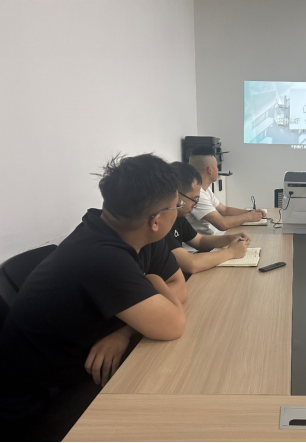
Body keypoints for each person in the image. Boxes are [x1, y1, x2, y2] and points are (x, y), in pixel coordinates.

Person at [0, 154, 187, 439]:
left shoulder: (112, 228)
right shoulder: (102, 256)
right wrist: (153, 279)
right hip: (40, 401)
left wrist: (123, 332)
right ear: (156, 220)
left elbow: (179, 287)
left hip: (78, 368)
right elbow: (173, 325)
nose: (179, 211)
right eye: (178, 206)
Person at [167, 162, 251, 275]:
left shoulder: (178, 216)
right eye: (194, 199)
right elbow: (191, 264)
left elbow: (200, 241)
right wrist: (231, 252)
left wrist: (230, 238)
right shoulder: (162, 224)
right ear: (177, 196)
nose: (195, 205)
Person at [187, 146, 265, 235]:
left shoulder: (205, 190)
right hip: (204, 242)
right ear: (210, 170)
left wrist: (252, 212)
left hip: (211, 238)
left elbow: (224, 210)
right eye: (217, 166)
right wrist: (249, 217)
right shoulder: (197, 194)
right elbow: (222, 224)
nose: (218, 169)